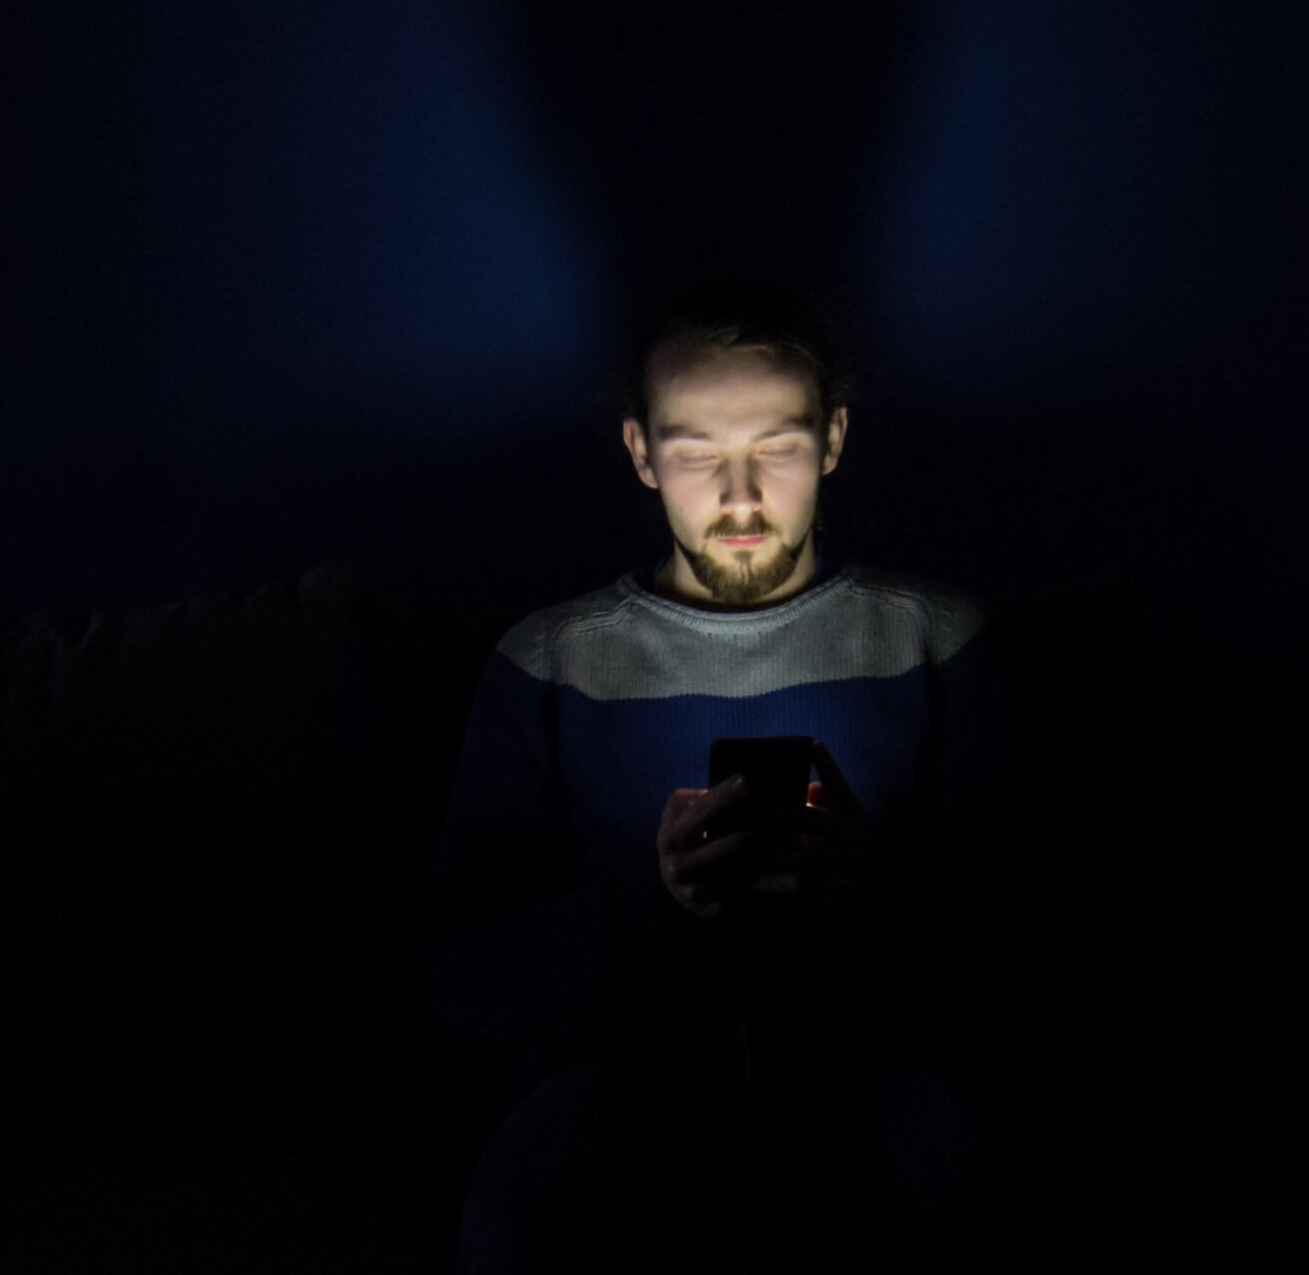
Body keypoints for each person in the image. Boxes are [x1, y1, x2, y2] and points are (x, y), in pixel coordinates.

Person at [426, 279, 1021, 1272]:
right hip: (618, 1065)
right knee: (519, 1221)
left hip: (874, 1047)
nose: (738, 499)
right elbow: (464, 973)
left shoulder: (938, 640)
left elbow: (1041, 942)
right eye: (697, 454)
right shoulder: (550, 660)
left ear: (831, 440)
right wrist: (645, 902)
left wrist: (866, 885)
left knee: (990, 1189)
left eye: (775, 451)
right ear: (639, 453)